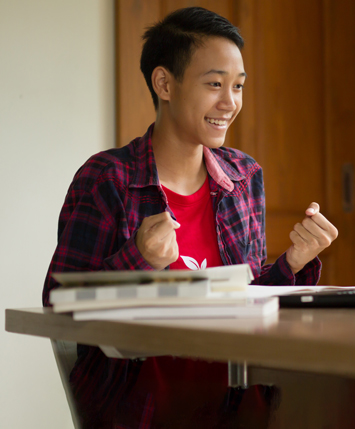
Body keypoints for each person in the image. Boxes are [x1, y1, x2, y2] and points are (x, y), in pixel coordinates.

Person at [42, 6, 338, 427]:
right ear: (164, 83)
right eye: (215, 84)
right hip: (144, 407)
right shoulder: (107, 179)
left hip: (238, 399)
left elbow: (248, 301)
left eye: (238, 86)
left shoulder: (244, 176)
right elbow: (57, 307)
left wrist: (293, 263)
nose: (230, 102)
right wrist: (139, 260)